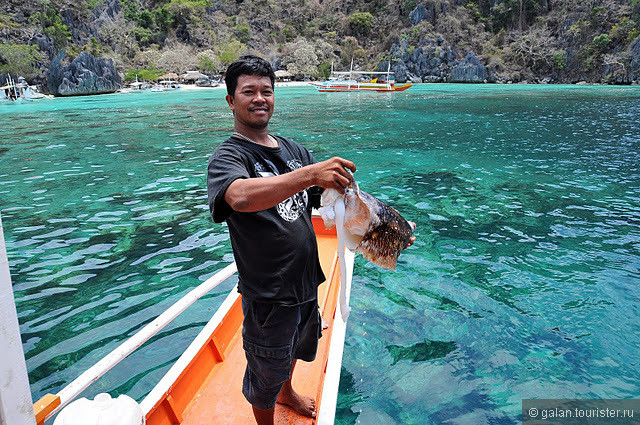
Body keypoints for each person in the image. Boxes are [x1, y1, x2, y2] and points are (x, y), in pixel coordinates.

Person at [206, 55, 357, 425]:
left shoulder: (293, 151)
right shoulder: (229, 155)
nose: (260, 98)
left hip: (306, 280)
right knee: (264, 375)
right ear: (231, 100)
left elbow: (328, 202)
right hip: (269, 293)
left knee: (295, 351)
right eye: (249, 91)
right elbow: (240, 196)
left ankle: (287, 392)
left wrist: (383, 229)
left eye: (267, 91)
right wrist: (309, 175)